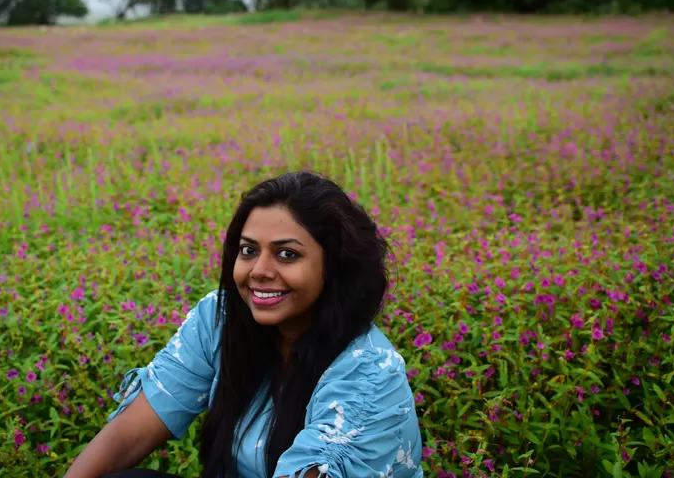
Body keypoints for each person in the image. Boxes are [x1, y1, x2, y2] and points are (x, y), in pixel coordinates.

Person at [63, 172, 423, 478]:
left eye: (287, 254)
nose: (259, 271)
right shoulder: (220, 319)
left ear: (335, 268)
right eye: (249, 250)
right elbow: (131, 432)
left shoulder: (367, 376)